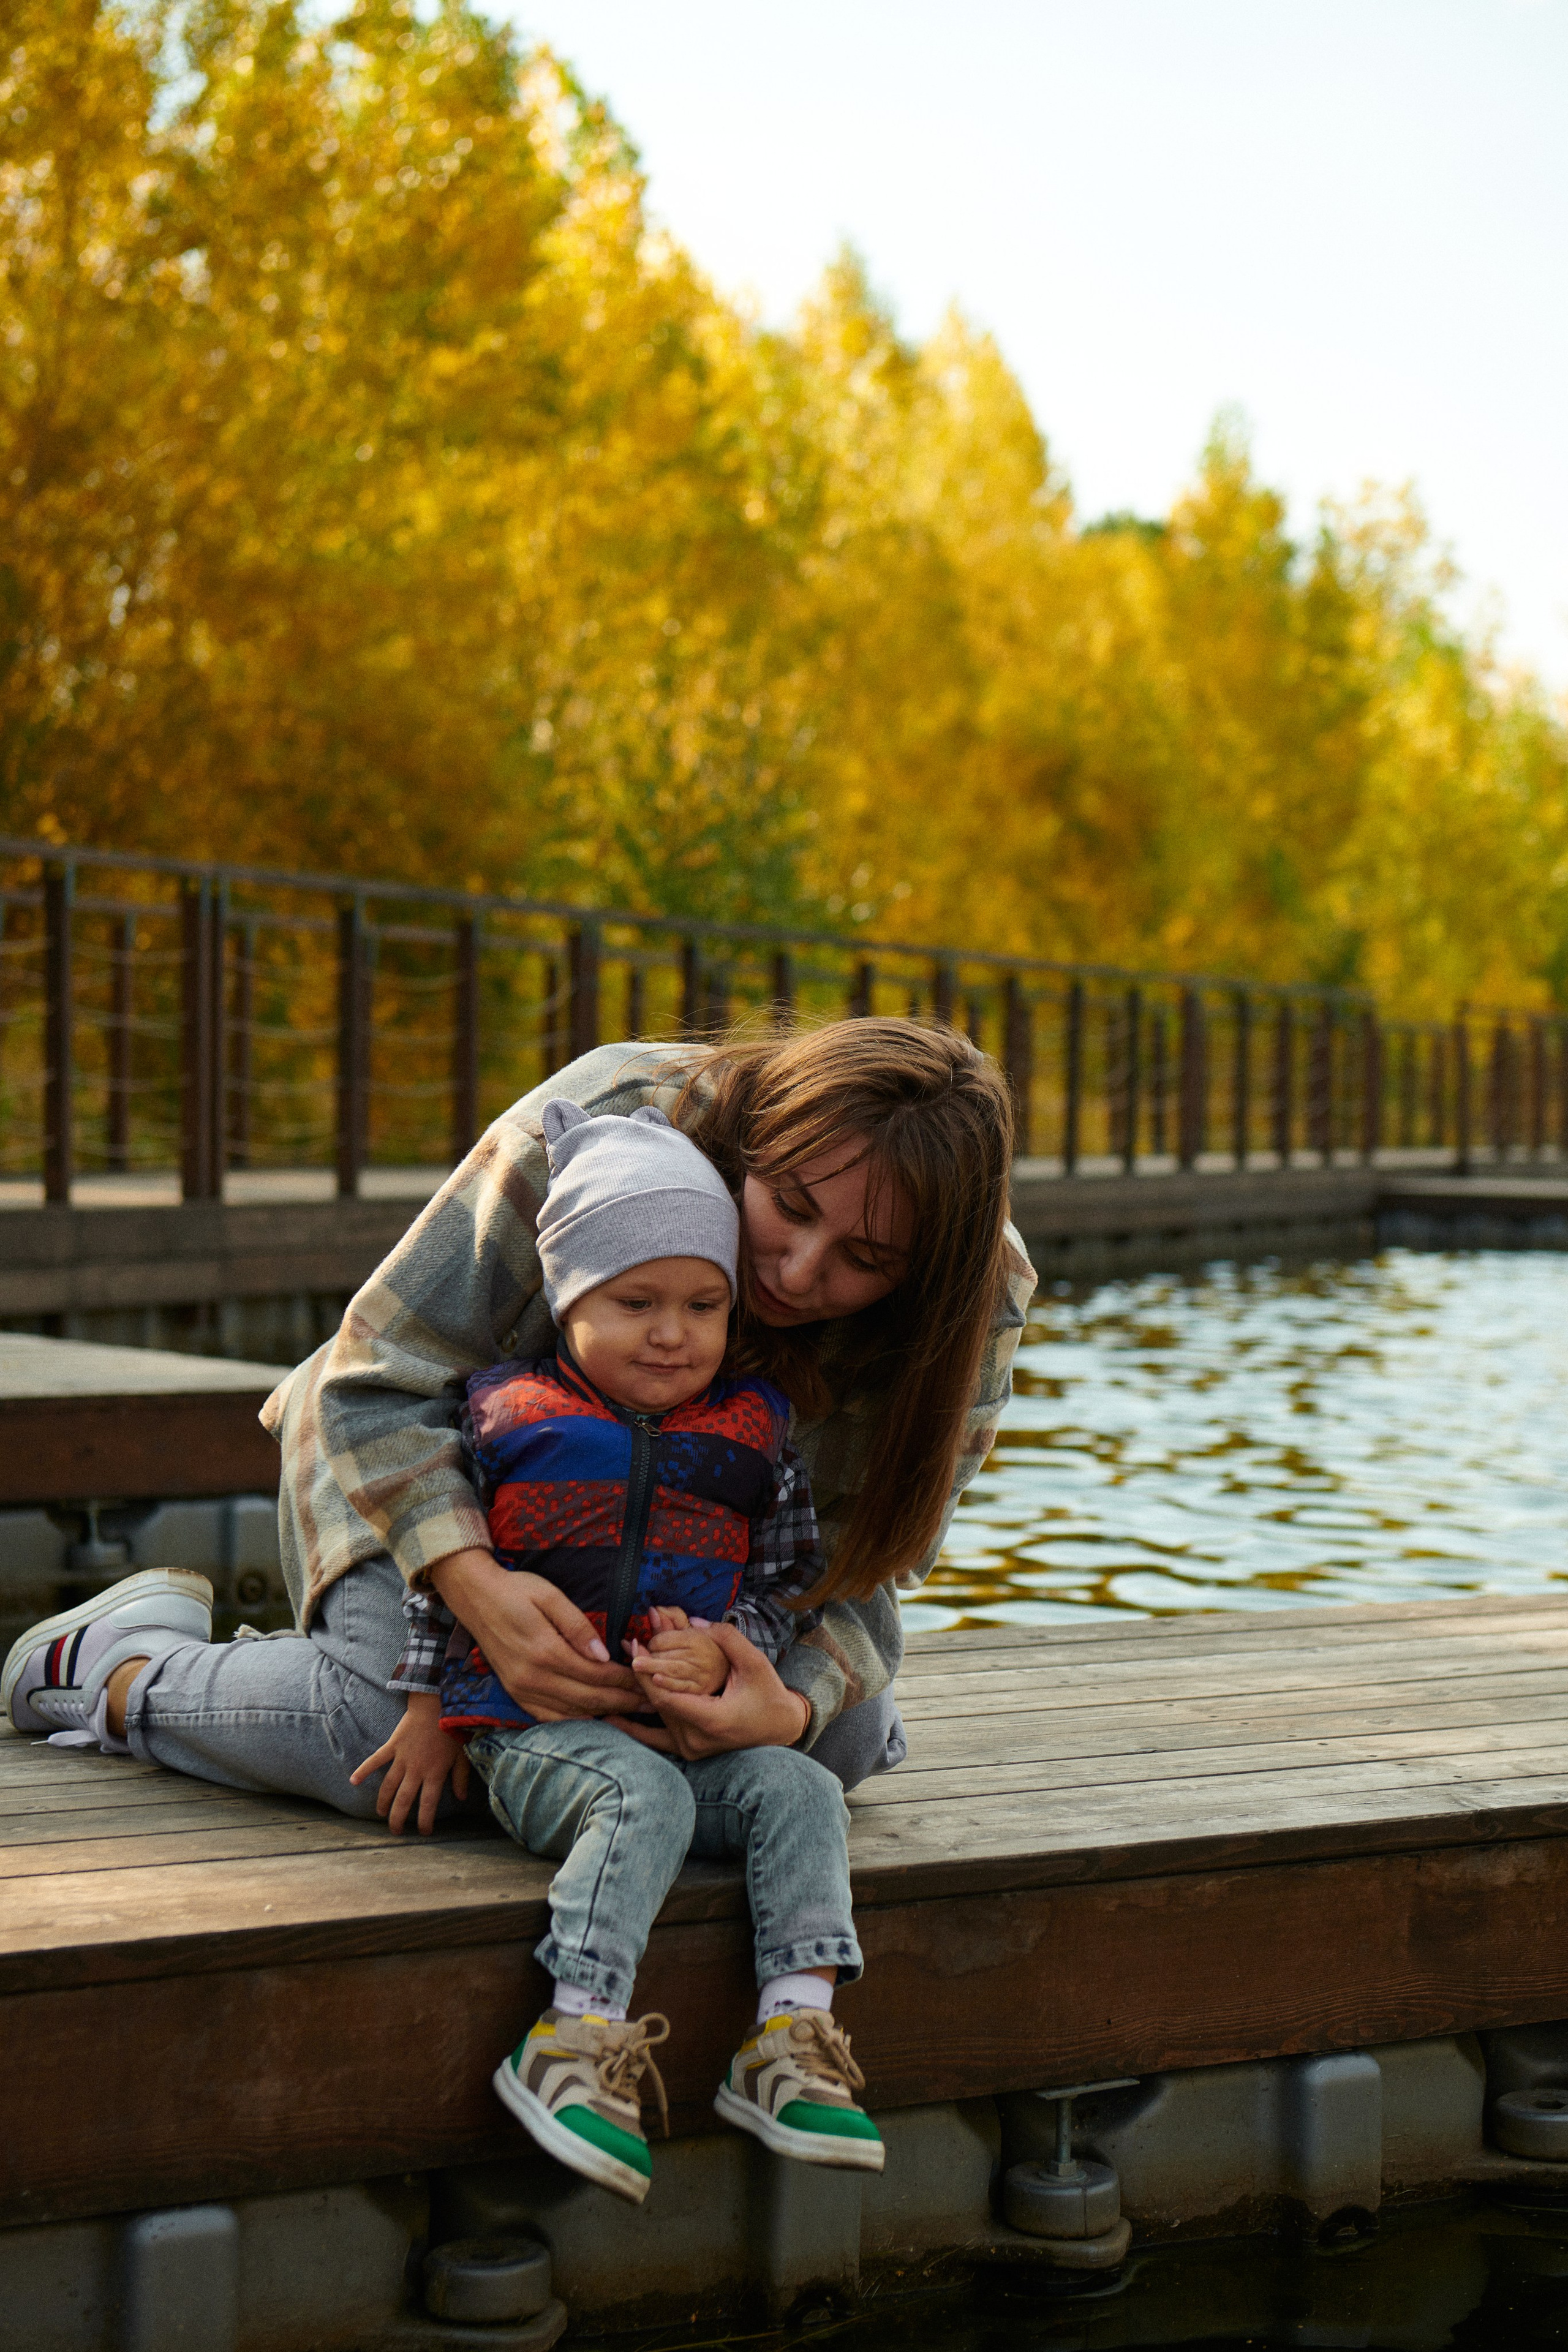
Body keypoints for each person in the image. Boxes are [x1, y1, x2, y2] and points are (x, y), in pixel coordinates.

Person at [4, 1019, 1033, 1827]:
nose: (798, 1274)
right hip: (427, 1478)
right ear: (757, 1143)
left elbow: (866, 1565)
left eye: (866, 1262)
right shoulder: (603, 1122)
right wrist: (479, 1592)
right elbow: (373, 1378)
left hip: (693, 1576)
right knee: (398, 1750)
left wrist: (786, 1703)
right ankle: (116, 1668)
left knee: (842, 1747)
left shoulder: (979, 1300)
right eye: (792, 1207)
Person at [332, 1095, 878, 2205]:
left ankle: (793, 2036)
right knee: (642, 1797)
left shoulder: (753, 1443)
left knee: (805, 1789)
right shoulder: (505, 1420)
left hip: (689, 1733)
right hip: (542, 1736)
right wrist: (434, 1711)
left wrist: (733, 1653)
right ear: (570, 1300)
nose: (671, 1333)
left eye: (702, 1306)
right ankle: (574, 2037)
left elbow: (783, 1584)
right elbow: (441, 1583)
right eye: (634, 1303)